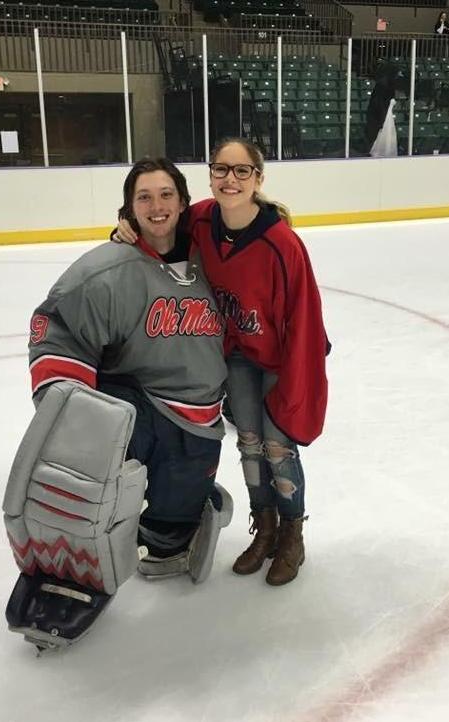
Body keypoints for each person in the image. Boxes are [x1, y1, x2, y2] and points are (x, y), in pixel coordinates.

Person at [2, 158, 232, 650]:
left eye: (166, 194)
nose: (156, 206)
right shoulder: (108, 269)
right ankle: (77, 558)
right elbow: (57, 333)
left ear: (184, 202)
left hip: (199, 418)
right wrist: (74, 416)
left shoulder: (213, 261)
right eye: (144, 197)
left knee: (168, 538)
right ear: (129, 207)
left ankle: (178, 522)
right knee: (97, 470)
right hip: (139, 404)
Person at [114, 139, 330, 586]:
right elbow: (160, 227)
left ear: (258, 178)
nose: (230, 179)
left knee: (277, 447)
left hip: (278, 361)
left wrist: (297, 383)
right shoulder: (202, 219)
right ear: (210, 176)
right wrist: (123, 228)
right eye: (221, 170)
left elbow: (305, 319)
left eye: (242, 171)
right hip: (235, 355)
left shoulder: (281, 243)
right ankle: (265, 528)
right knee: (248, 442)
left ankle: (292, 534)